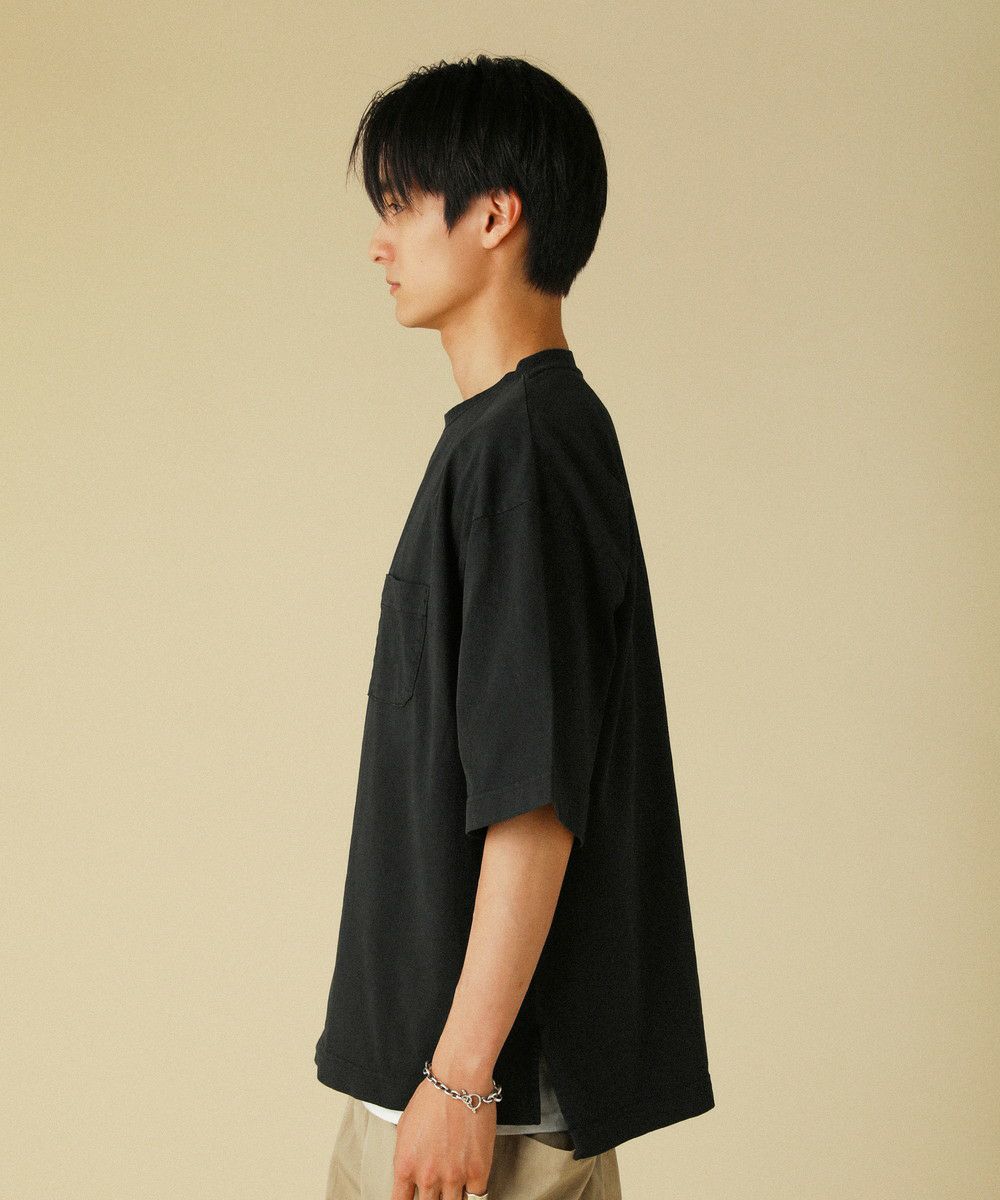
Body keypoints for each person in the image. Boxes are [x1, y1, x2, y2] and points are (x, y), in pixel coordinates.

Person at [315, 54, 715, 1200]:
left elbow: (532, 798)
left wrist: (458, 1079)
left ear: (493, 216)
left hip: (481, 1107)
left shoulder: (525, 451)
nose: (380, 241)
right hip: (468, 1089)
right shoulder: (509, 439)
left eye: (402, 204)